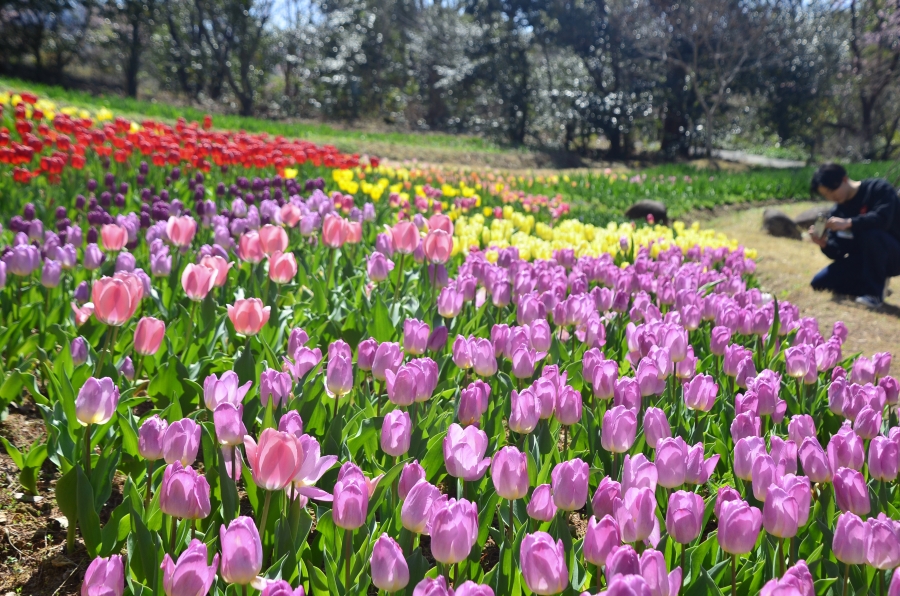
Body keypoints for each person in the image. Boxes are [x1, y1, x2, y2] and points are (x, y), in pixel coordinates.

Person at [807, 163, 900, 308]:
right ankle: (875, 285)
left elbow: (883, 220)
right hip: (862, 260)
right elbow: (838, 251)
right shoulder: (837, 212)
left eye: (832, 191)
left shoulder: (878, 189)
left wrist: (849, 223)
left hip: (893, 254)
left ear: (844, 180)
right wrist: (824, 244)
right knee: (819, 283)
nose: (832, 197)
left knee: (871, 233)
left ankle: (873, 294)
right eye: (826, 195)